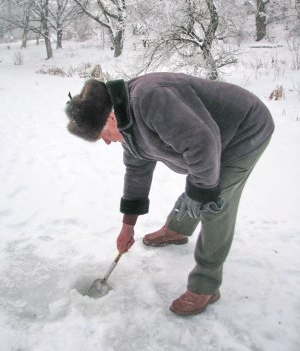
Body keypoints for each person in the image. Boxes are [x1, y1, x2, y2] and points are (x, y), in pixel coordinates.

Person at [65, 72, 274, 316]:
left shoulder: (150, 99)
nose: (108, 143)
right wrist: (128, 226)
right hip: (207, 138)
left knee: (214, 201)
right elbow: (136, 171)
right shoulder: (125, 122)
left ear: (110, 118)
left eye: (104, 136)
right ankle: (178, 229)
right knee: (201, 181)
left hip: (244, 128)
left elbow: (201, 144)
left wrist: (202, 194)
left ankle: (205, 285)